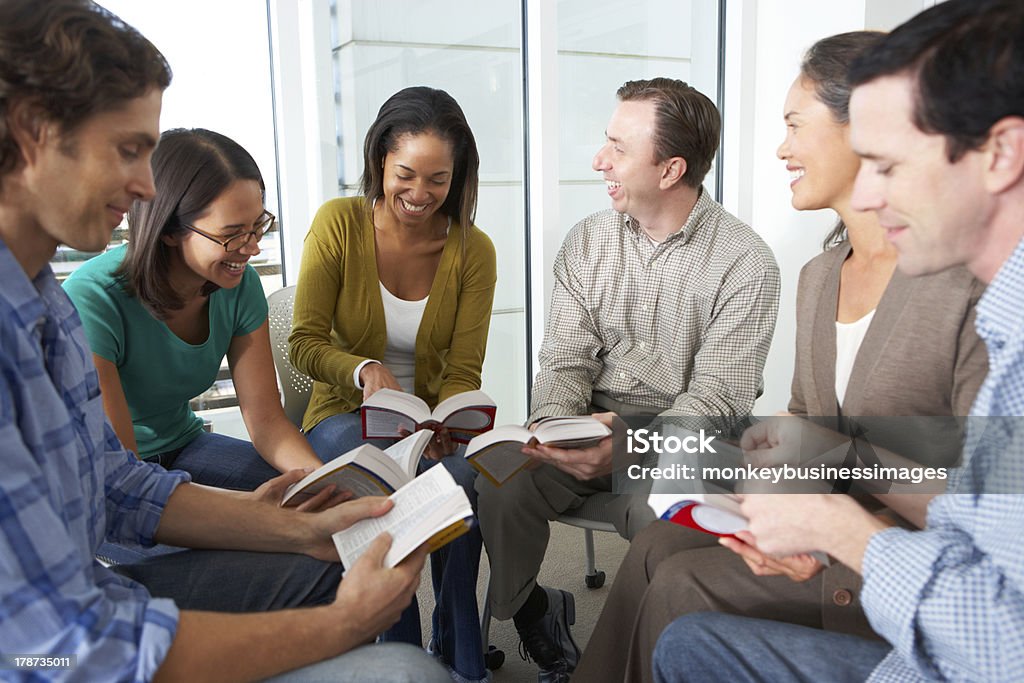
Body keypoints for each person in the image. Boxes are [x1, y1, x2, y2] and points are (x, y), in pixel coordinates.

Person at [0, 1, 447, 681]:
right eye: (127, 150)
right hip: (81, 639)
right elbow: (60, 649)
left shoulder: (41, 304)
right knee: (403, 669)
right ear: (33, 133)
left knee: (318, 532)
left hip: (121, 552)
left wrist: (297, 521)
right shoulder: (81, 301)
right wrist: (342, 623)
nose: (145, 185)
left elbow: (118, 485)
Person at [573, 31, 989, 683]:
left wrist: (841, 471)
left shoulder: (964, 282)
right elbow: (807, 421)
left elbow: (980, 503)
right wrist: (750, 476)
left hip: (903, 558)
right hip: (821, 521)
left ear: (866, 126)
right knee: (659, 539)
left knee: (683, 582)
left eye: (796, 125)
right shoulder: (820, 276)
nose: (782, 148)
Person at [475, 77, 781, 682]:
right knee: (498, 481)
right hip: (588, 421)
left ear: (670, 170)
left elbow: (716, 399)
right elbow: (563, 359)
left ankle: (635, 657)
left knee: (660, 514)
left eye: (617, 147)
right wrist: (557, 431)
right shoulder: (587, 241)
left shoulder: (746, 263)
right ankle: (535, 609)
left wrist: (631, 441)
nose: (599, 161)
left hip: (685, 440)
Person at [289, 86, 496, 683]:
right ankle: (398, 647)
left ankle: (462, 659)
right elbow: (304, 341)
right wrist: (362, 370)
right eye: (406, 174)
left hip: (429, 424)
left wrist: (442, 424)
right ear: (380, 159)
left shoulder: (472, 251)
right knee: (385, 479)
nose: (420, 194)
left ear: (457, 178)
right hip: (341, 415)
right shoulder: (339, 224)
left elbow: (463, 367)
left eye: (438, 179)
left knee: (462, 485)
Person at [63, 128, 324, 501]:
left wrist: (323, 479)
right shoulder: (92, 300)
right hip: (112, 483)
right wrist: (250, 511)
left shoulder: (239, 285)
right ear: (170, 230)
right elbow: (123, 481)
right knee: (265, 535)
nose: (251, 248)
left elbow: (266, 420)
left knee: (310, 500)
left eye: (257, 227)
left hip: (185, 446)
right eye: (232, 234)